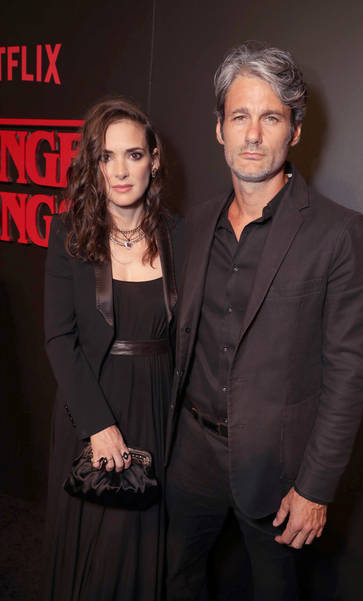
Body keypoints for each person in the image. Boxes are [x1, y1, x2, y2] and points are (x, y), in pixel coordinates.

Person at [166, 42, 363, 600]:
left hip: (280, 469)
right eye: (239, 116)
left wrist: (314, 487)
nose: (253, 134)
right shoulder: (195, 224)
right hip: (189, 453)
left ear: (296, 131)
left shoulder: (340, 233)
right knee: (174, 579)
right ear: (219, 129)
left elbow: (349, 373)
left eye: (270, 117)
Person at [43, 97, 177, 601]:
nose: (121, 171)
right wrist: (97, 425)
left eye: (134, 155)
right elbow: (59, 337)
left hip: (157, 408)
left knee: (143, 548)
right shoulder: (70, 234)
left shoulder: (180, 236)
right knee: (94, 548)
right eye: (106, 157)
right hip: (92, 405)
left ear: (155, 159)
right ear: (93, 165)